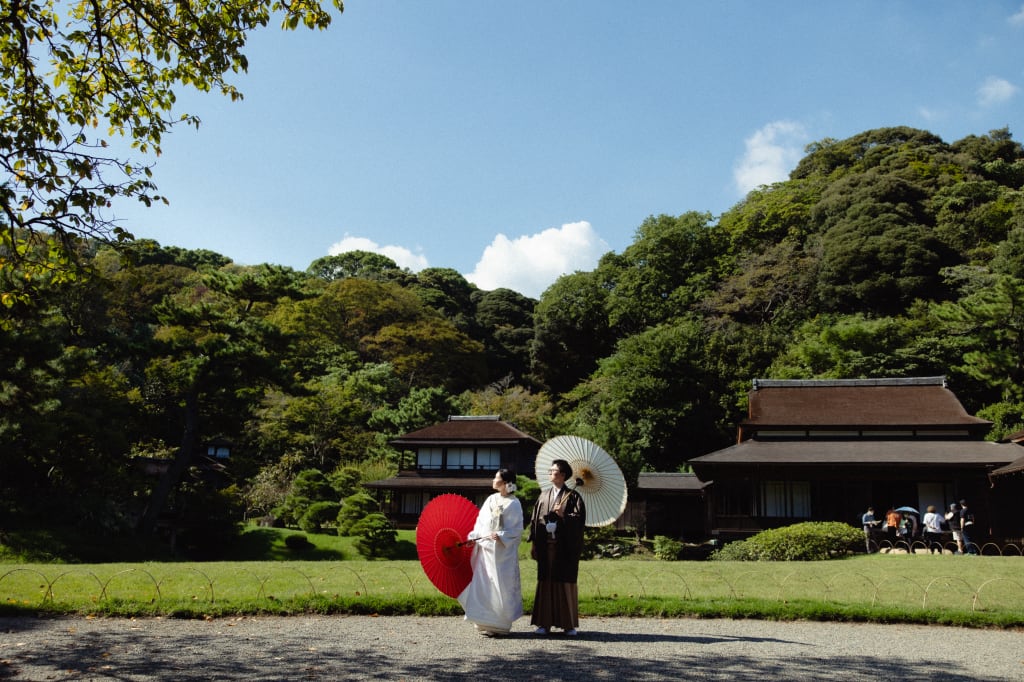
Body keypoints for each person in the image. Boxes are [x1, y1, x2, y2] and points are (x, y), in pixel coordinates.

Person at [457, 469, 524, 635]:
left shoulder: (514, 503)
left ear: (505, 482)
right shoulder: (491, 499)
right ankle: (484, 621)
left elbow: (516, 529)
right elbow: (481, 522)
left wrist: (501, 535)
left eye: (496, 477)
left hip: (502, 553)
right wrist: (474, 537)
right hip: (485, 549)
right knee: (484, 584)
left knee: (500, 585)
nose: (493, 480)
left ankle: (500, 624)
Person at [529, 458, 586, 636]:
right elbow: (535, 520)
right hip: (545, 546)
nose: (550, 473)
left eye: (553, 471)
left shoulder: (573, 496)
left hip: (564, 548)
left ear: (562, 475)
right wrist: (534, 543)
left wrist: (564, 515)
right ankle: (544, 623)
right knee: (546, 583)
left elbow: (579, 522)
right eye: (550, 470)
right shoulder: (543, 495)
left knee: (564, 583)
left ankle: (568, 625)